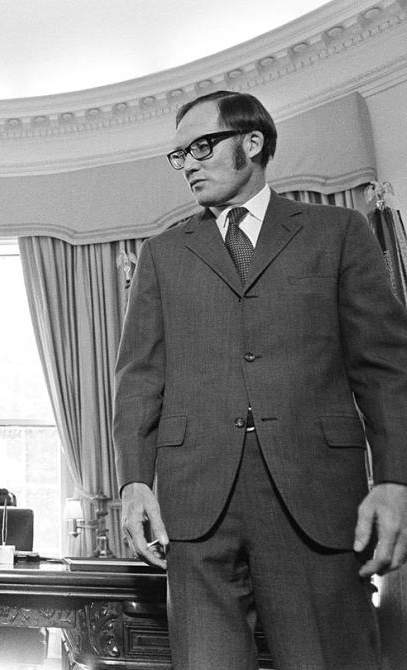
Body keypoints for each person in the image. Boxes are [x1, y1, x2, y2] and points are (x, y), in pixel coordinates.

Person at [114, 90, 407, 670]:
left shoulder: (340, 231)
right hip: (195, 508)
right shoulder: (162, 254)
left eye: (201, 146)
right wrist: (133, 482)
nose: (189, 164)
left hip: (316, 498)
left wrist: (396, 479)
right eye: (180, 156)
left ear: (252, 143)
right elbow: (139, 377)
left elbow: (384, 367)